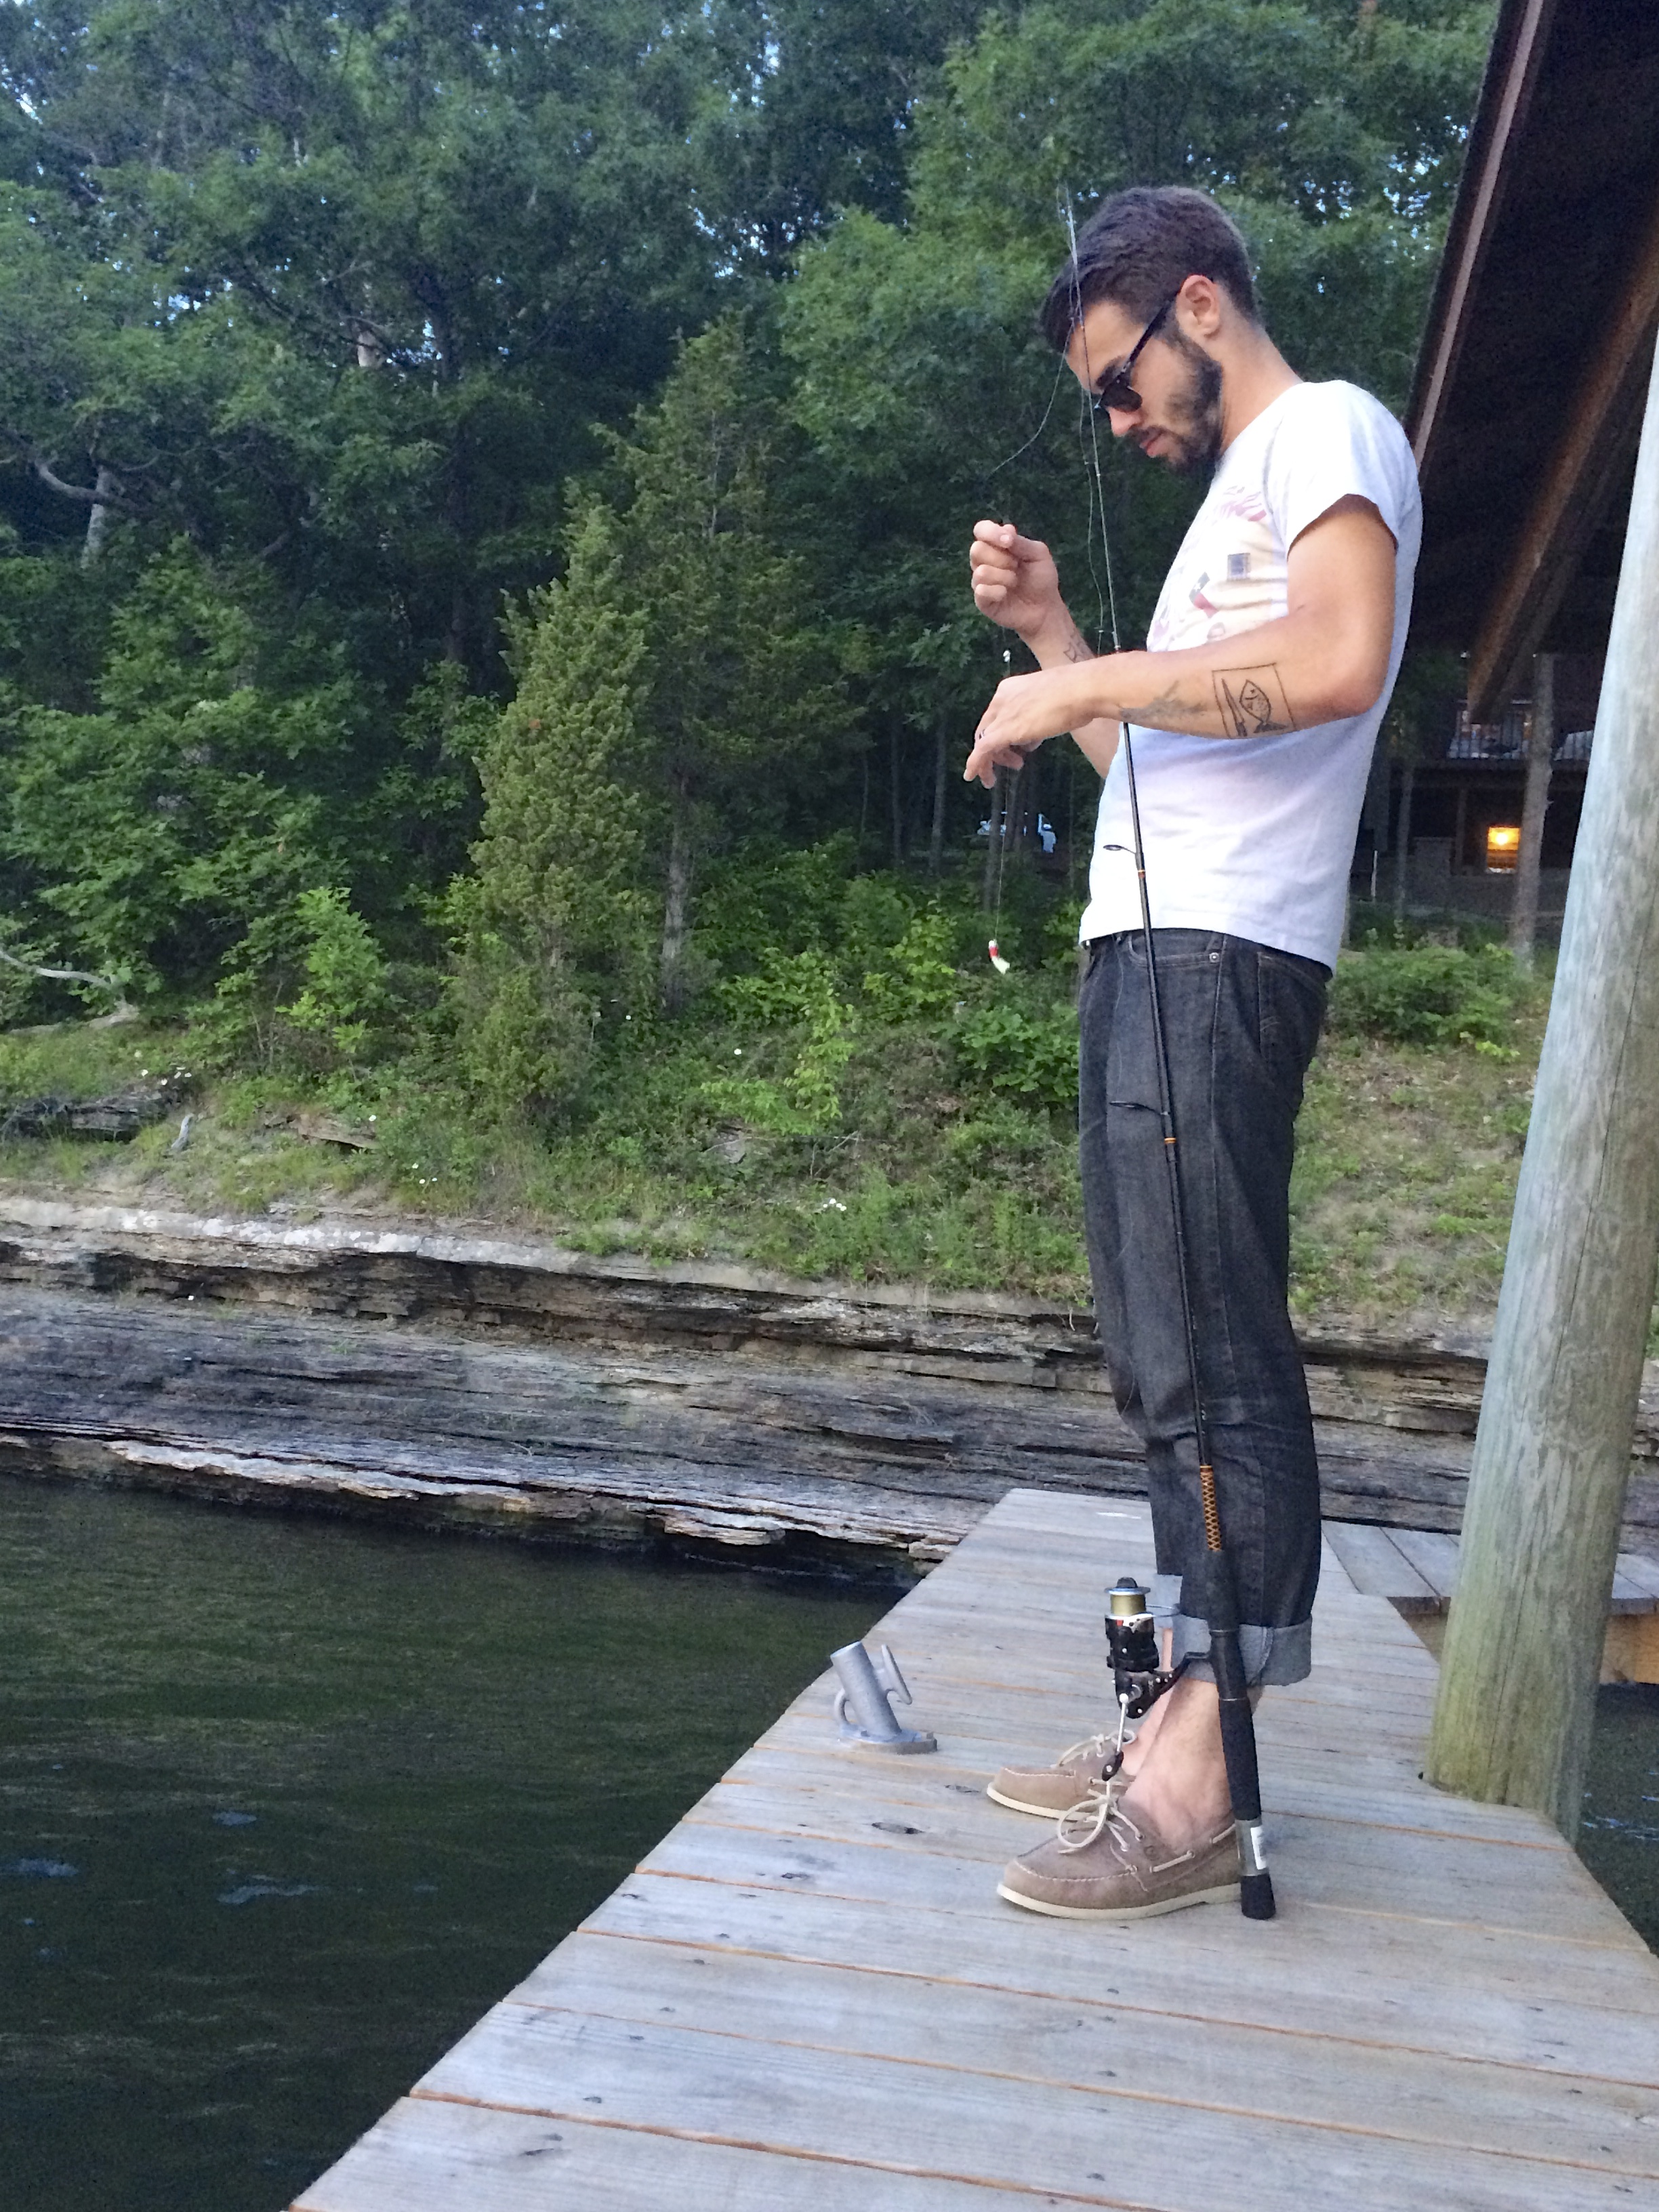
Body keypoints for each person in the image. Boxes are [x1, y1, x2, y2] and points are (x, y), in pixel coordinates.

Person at [964, 185, 1420, 1920]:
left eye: (1119, 380)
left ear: (1201, 307)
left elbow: (1340, 659)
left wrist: (1085, 687)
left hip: (1225, 961)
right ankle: (1173, 1712)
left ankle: (1205, 1775)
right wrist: (1059, 644)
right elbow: (1161, 770)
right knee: (1163, 1357)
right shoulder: (1234, 503)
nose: (1119, 420)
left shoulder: (1327, 430)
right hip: (1155, 945)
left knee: (1216, 1353)